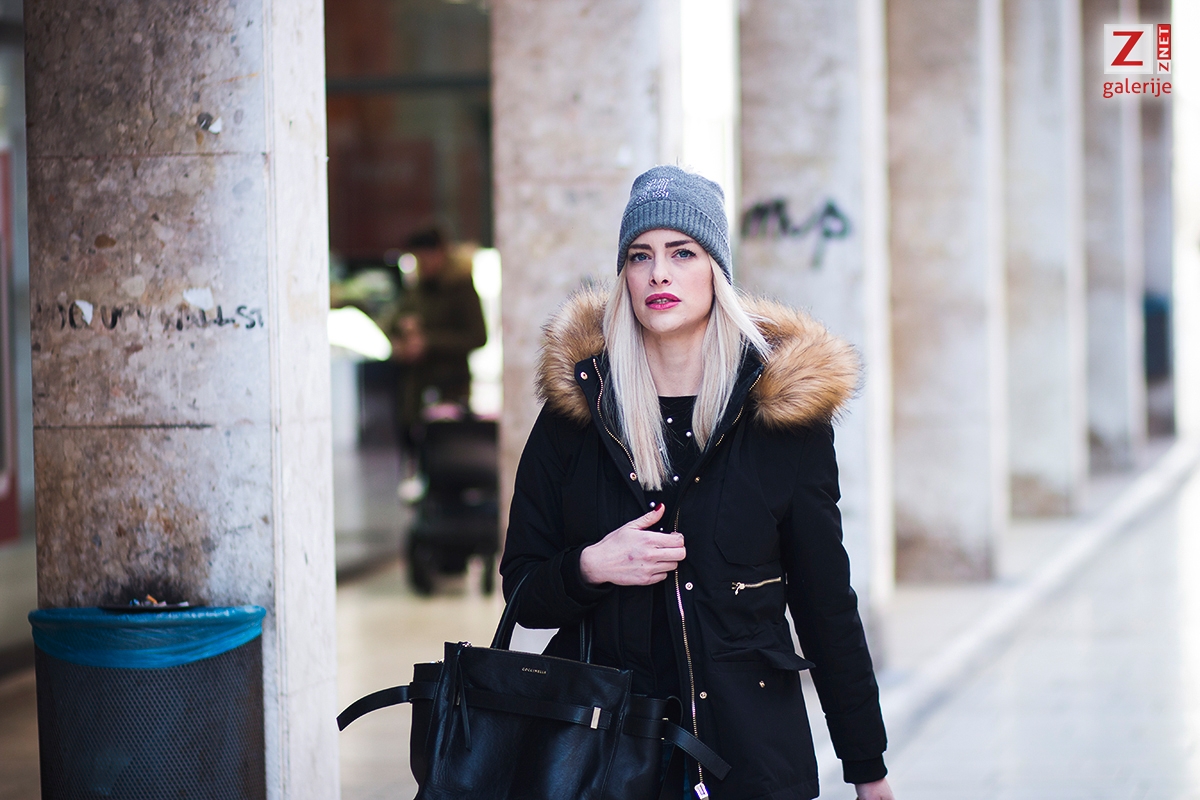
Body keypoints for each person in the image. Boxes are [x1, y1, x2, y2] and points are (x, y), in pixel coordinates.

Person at [500, 166, 894, 800]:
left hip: (749, 760)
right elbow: (522, 589)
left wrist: (867, 767)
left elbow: (825, 606)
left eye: (682, 252)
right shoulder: (578, 415)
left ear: (717, 271)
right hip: (604, 761)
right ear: (625, 277)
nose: (659, 273)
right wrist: (592, 566)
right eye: (640, 255)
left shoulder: (779, 420)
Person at [385, 226, 487, 448]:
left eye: (425, 258)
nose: (422, 264)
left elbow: (478, 336)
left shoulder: (461, 287)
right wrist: (402, 331)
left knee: (446, 453)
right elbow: (393, 319)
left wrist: (429, 343)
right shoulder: (417, 287)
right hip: (415, 389)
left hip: (450, 389)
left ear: (440, 253)